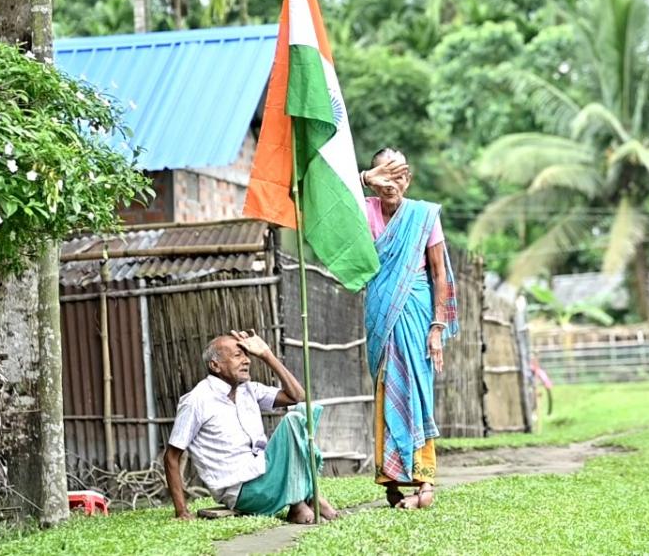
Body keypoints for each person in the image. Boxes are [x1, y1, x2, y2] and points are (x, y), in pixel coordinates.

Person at [358, 148, 459, 510]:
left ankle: (425, 480)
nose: (392, 182)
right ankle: (391, 478)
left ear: (409, 178)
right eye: (385, 174)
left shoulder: (423, 215)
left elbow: (438, 273)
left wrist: (437, 327)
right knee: (388, 388)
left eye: (399, 174)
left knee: (416, 389)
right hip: (381, 312)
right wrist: (364, 179)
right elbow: (332, 205)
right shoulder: (364, 207)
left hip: (416, 311)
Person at [164, 330, 337, 524]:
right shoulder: (197, 400)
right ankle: (304, 500)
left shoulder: (248, 390)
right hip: (243, 492)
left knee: (306, 410)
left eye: (247, 355)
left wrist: (266, 354)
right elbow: (171, 457)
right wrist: (181, 511)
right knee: (292, 422)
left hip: (266, 474)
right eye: (238, 355)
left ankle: (302, 501)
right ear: (215, 365)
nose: (247, 360)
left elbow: (298, 397)